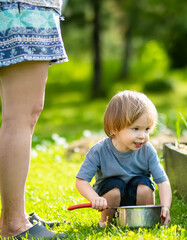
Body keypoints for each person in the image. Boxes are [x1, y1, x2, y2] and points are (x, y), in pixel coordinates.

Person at [0, 0, 68, 239]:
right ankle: (13, 224)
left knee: (21, 114)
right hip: (22, 9)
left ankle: (13, 216)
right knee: (20, 115)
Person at [75, 90, 172, 227]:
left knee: (143, 184)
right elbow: (81, 181)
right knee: (114, 186)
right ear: (115, 129)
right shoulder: (99, 151)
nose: (142, 136)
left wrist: (165, 206)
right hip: (111, 198)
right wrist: (95, 198)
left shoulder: (147, 150)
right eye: (136, 128)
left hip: (138, 196)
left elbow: (162, 182)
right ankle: (106, 222)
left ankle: (146, 219)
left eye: (147, 129)